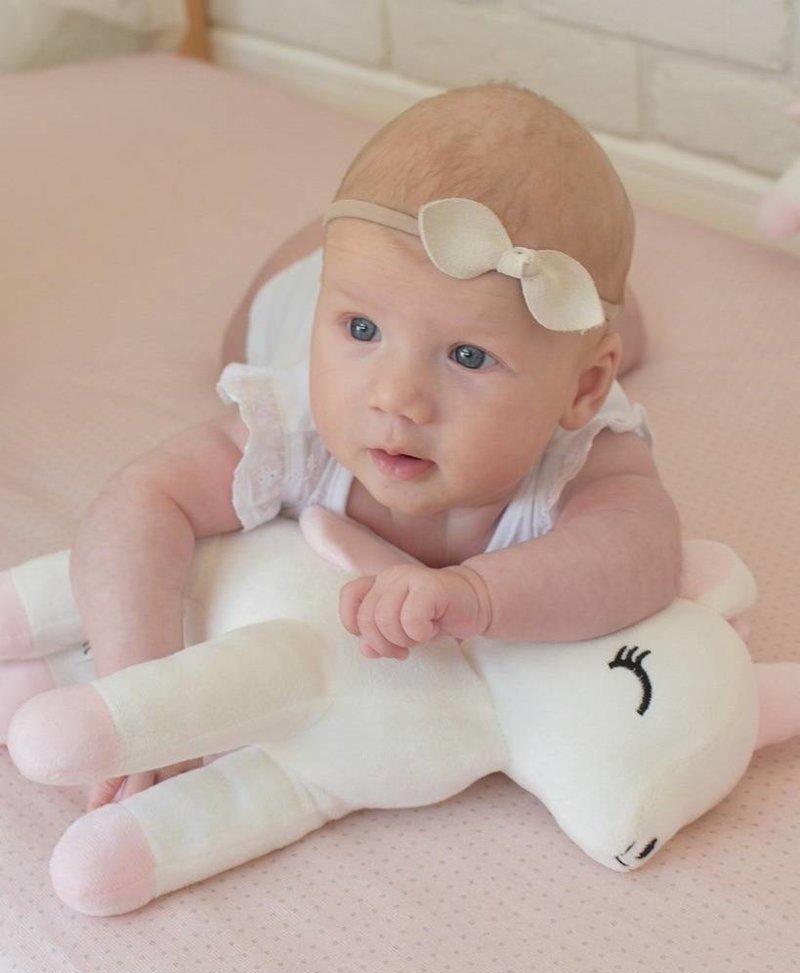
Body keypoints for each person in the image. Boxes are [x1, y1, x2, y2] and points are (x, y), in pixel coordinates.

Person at [70, 84, 681, 808]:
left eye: (468, 356)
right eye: (361, 331)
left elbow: (643, 556)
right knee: (240, 337)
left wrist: (479, 595)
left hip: (461, 318)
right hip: (298, 296)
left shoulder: (582, 451)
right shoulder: (299, 426)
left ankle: (583, 321)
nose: (395, 399)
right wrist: (139, 689)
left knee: (624, 332)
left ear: (584, 389)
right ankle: (318, 259)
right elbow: (142, 498)